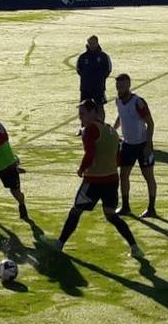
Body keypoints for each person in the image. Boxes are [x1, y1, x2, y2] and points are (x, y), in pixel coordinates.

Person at [44, 99, 141, 257]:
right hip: (112, 180)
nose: (80, 118)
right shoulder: (111, 130)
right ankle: (134, 247)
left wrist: (82, 169)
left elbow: (90, 154)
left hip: (94, 181)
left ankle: (59, 244)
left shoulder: (90, 130)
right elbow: (117, 158)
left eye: (82, 114)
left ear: (93, 113)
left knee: (76, 211)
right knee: (111, 215)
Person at [112, 74, 158, 218]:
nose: (120, 88)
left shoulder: (138, 102)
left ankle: (151, 208)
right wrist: (114, 130)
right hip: (127, 145)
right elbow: (121, 116)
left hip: (142, 144)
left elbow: (150, 123)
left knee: (148, 176)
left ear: (129, 85)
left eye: (123, 85)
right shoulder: (118, 101)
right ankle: (126, 206)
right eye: (118, 86)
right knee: (123, 175)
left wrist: (148, 144)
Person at [76, 35, 112, 119]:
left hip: (98, 87)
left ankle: (101, 125)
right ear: (87, 44)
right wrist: (86, 78)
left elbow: (108, 69)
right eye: (90, 43)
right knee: (83, 108)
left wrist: (100, 78)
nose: (92, 45)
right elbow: (78, 69)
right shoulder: (83, 57)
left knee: (100, 107)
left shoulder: (103, 56)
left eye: (94, 43)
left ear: (97, 43)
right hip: (85, 88)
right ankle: (84, 126)